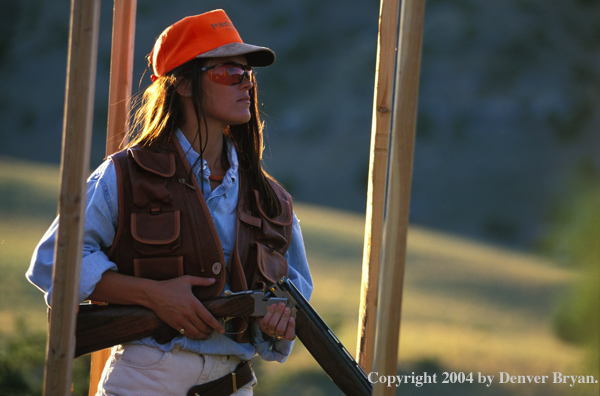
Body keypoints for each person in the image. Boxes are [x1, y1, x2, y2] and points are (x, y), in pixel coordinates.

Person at [26, 9, 312, 396]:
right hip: (145, 380)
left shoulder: (271, 199)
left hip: (234, 385)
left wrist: (280, 321)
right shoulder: (125, 174)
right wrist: (152, 295)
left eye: (247, 75)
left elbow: (296, 297)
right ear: (184, 85)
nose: (244, 85)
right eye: (229, 73)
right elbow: (54, 261)